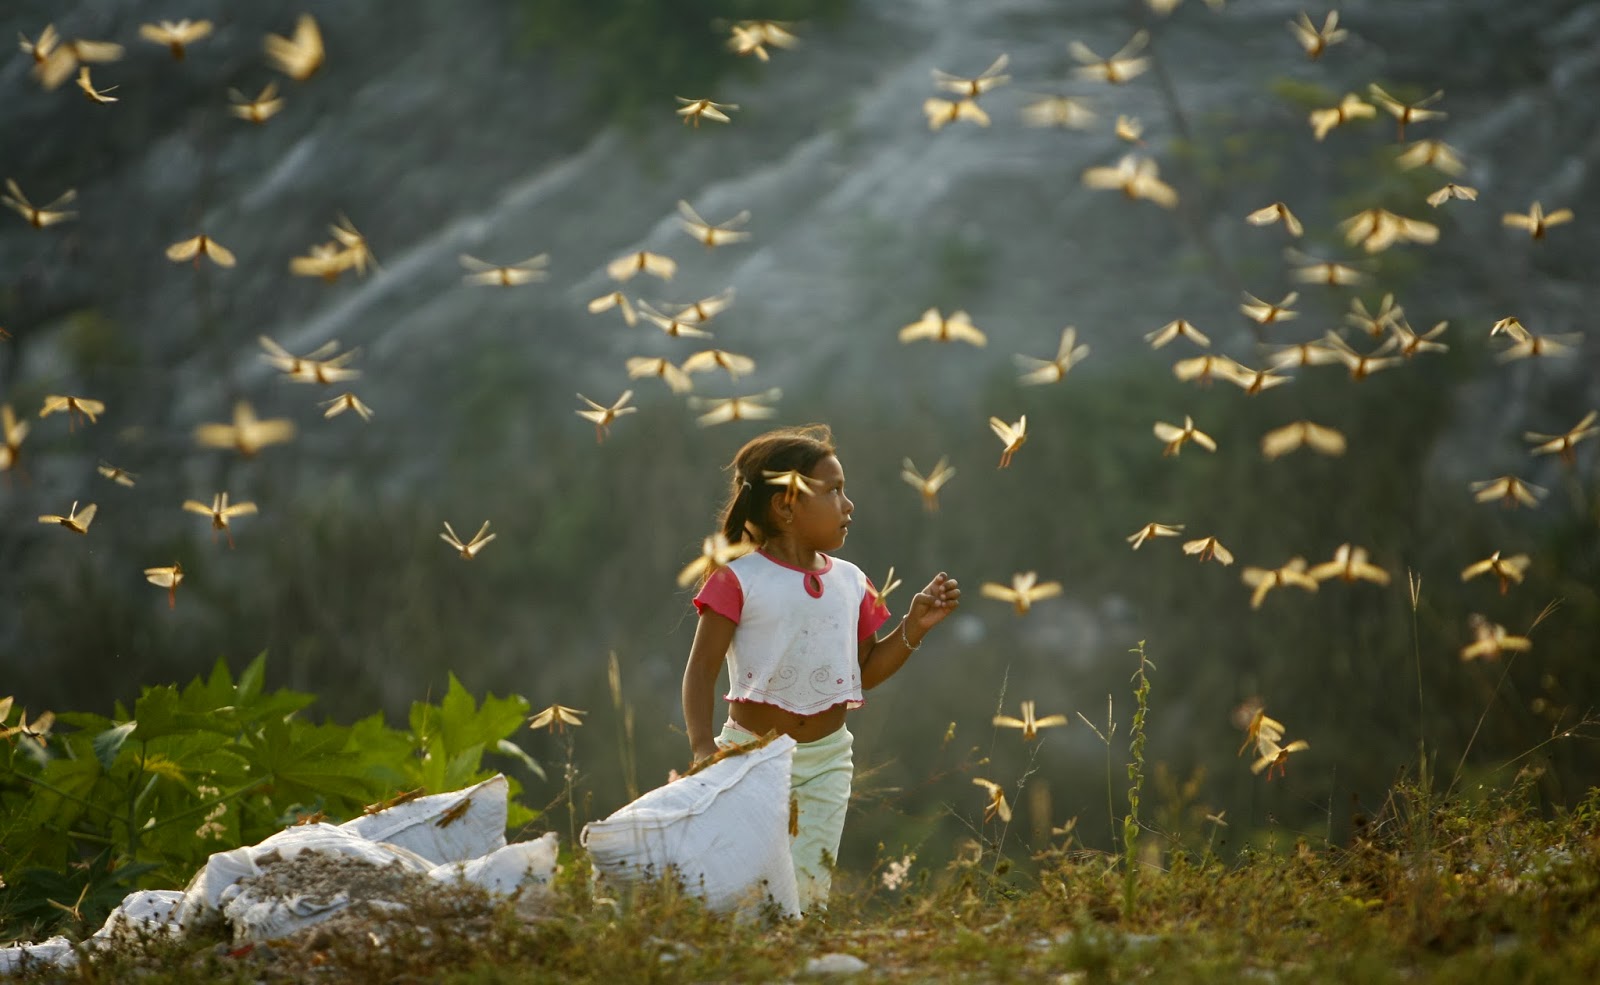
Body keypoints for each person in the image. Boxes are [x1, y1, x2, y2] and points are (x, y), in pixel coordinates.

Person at [682, 424, 960, 911]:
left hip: (828, 763)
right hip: (748, 759)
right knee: (745, 886)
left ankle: (801, 942)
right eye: (833, 491)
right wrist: (704, 747)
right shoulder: (738, 580)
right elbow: (701, 670)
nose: (848, 505)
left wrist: (914, 626)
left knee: (808, 889)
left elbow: (864, 671)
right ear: (785, 507)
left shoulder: (853, 582)